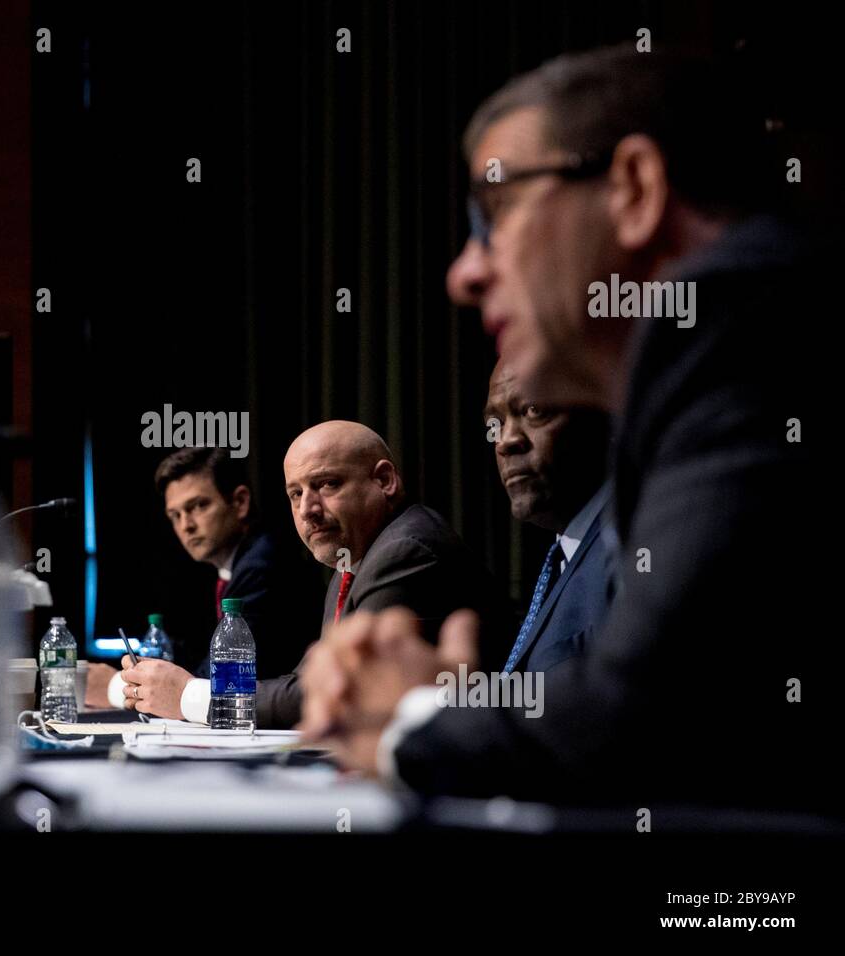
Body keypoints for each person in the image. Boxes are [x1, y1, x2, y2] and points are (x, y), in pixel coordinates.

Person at [299, 45, 833, 811]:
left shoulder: (758, 334)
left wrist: (413, 717)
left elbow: (645, 720)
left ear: (635, 189)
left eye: (495, 213)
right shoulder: (710, 362)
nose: (464, 273)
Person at [119, 421, 511, 727]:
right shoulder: (351, 561)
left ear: (385, 481)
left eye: (326, 484)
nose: (308, 509)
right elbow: (304, 681)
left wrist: (191, 696)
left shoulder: (405, 550)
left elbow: (334, 692)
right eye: (295, 493)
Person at [85, 447, 321, 709]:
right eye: (175, 515)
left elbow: (216, 681)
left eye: (198, 506)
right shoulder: (231, 567)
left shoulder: (262, 566)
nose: (186, 525)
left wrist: (115, 686)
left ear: (240, 502)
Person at [483, 360, 612, 673]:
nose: (505, 441)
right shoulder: (565, 554)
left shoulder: (630, 551)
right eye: (496, 424)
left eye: (534, 410)